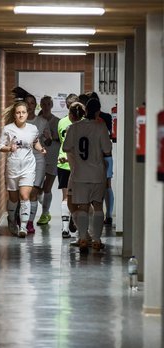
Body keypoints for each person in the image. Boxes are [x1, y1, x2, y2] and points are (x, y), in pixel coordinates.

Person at [63, 98, 112, 252]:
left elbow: (66, 147)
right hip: (97, 174)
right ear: (97, 111)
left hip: (79, 174)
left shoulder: (74, 127)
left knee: (82, 207)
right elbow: (107, 150)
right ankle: (96, 240)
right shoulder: (100, 127)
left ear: (85, 111)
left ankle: (83, 238)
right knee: (98, 206)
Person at [0, 101, 46, 238]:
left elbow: (35, 142)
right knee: (13, 199)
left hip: (28, 167)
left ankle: (23, 227)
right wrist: (9, 148)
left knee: (25, 196)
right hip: (13, 168)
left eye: (23, 112)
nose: (21, 115)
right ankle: (12, 220)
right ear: (14, 114)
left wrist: (41, 149)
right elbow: (0, 147)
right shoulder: (8, 129)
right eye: (18, 112)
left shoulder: (33, 128)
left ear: (27, 113)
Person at [25, 94, 52, 234]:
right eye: (27, 103)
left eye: (32, 103)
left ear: (35, 106)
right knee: (24, 193)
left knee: (34, 191)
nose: (29, 106)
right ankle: (21, 219)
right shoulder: (18, 121)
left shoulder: (42, 121)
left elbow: (48, 142)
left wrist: (48, 139)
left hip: (38, 159)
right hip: (22, 160)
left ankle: (30, 223)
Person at [87, 91, 114, 226]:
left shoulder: (84, 122)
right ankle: (107, 214)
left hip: (93, 157)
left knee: (95, 186)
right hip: (105, 155)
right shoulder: (107, 117)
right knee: (106, 185)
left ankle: (104, 214)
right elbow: (110, 139)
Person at [57, 93, 79, 238]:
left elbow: (61, 140)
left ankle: (65, 228)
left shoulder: (61, 122)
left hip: (63, 161)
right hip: (77, 164)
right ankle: (72, 221)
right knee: (77, 197)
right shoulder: (84, 123)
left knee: (66, 196)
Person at [36, 96, 60, 225]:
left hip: (53, 157)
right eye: (43, 104)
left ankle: (45, 213)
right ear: (40, 105)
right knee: (37, 188)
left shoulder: (57, 121)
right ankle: (45, 208)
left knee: (47, 187)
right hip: (39, 158)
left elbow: (62, 139)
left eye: (48, 104)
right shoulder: (37, 121)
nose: (45, 106)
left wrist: (53, 137)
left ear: (51, 105)